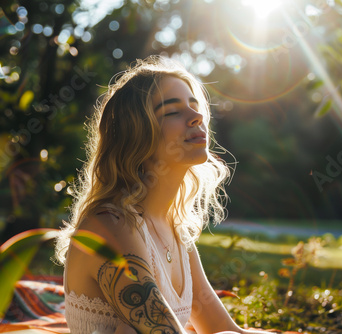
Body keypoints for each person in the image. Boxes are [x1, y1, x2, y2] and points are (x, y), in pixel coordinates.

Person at [54, 56, 265, 334]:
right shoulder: (110, 224)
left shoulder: (176, 231)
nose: (197, 117)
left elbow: (223, 329)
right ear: (136, 134)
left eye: (194, 105)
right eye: (172, 111)